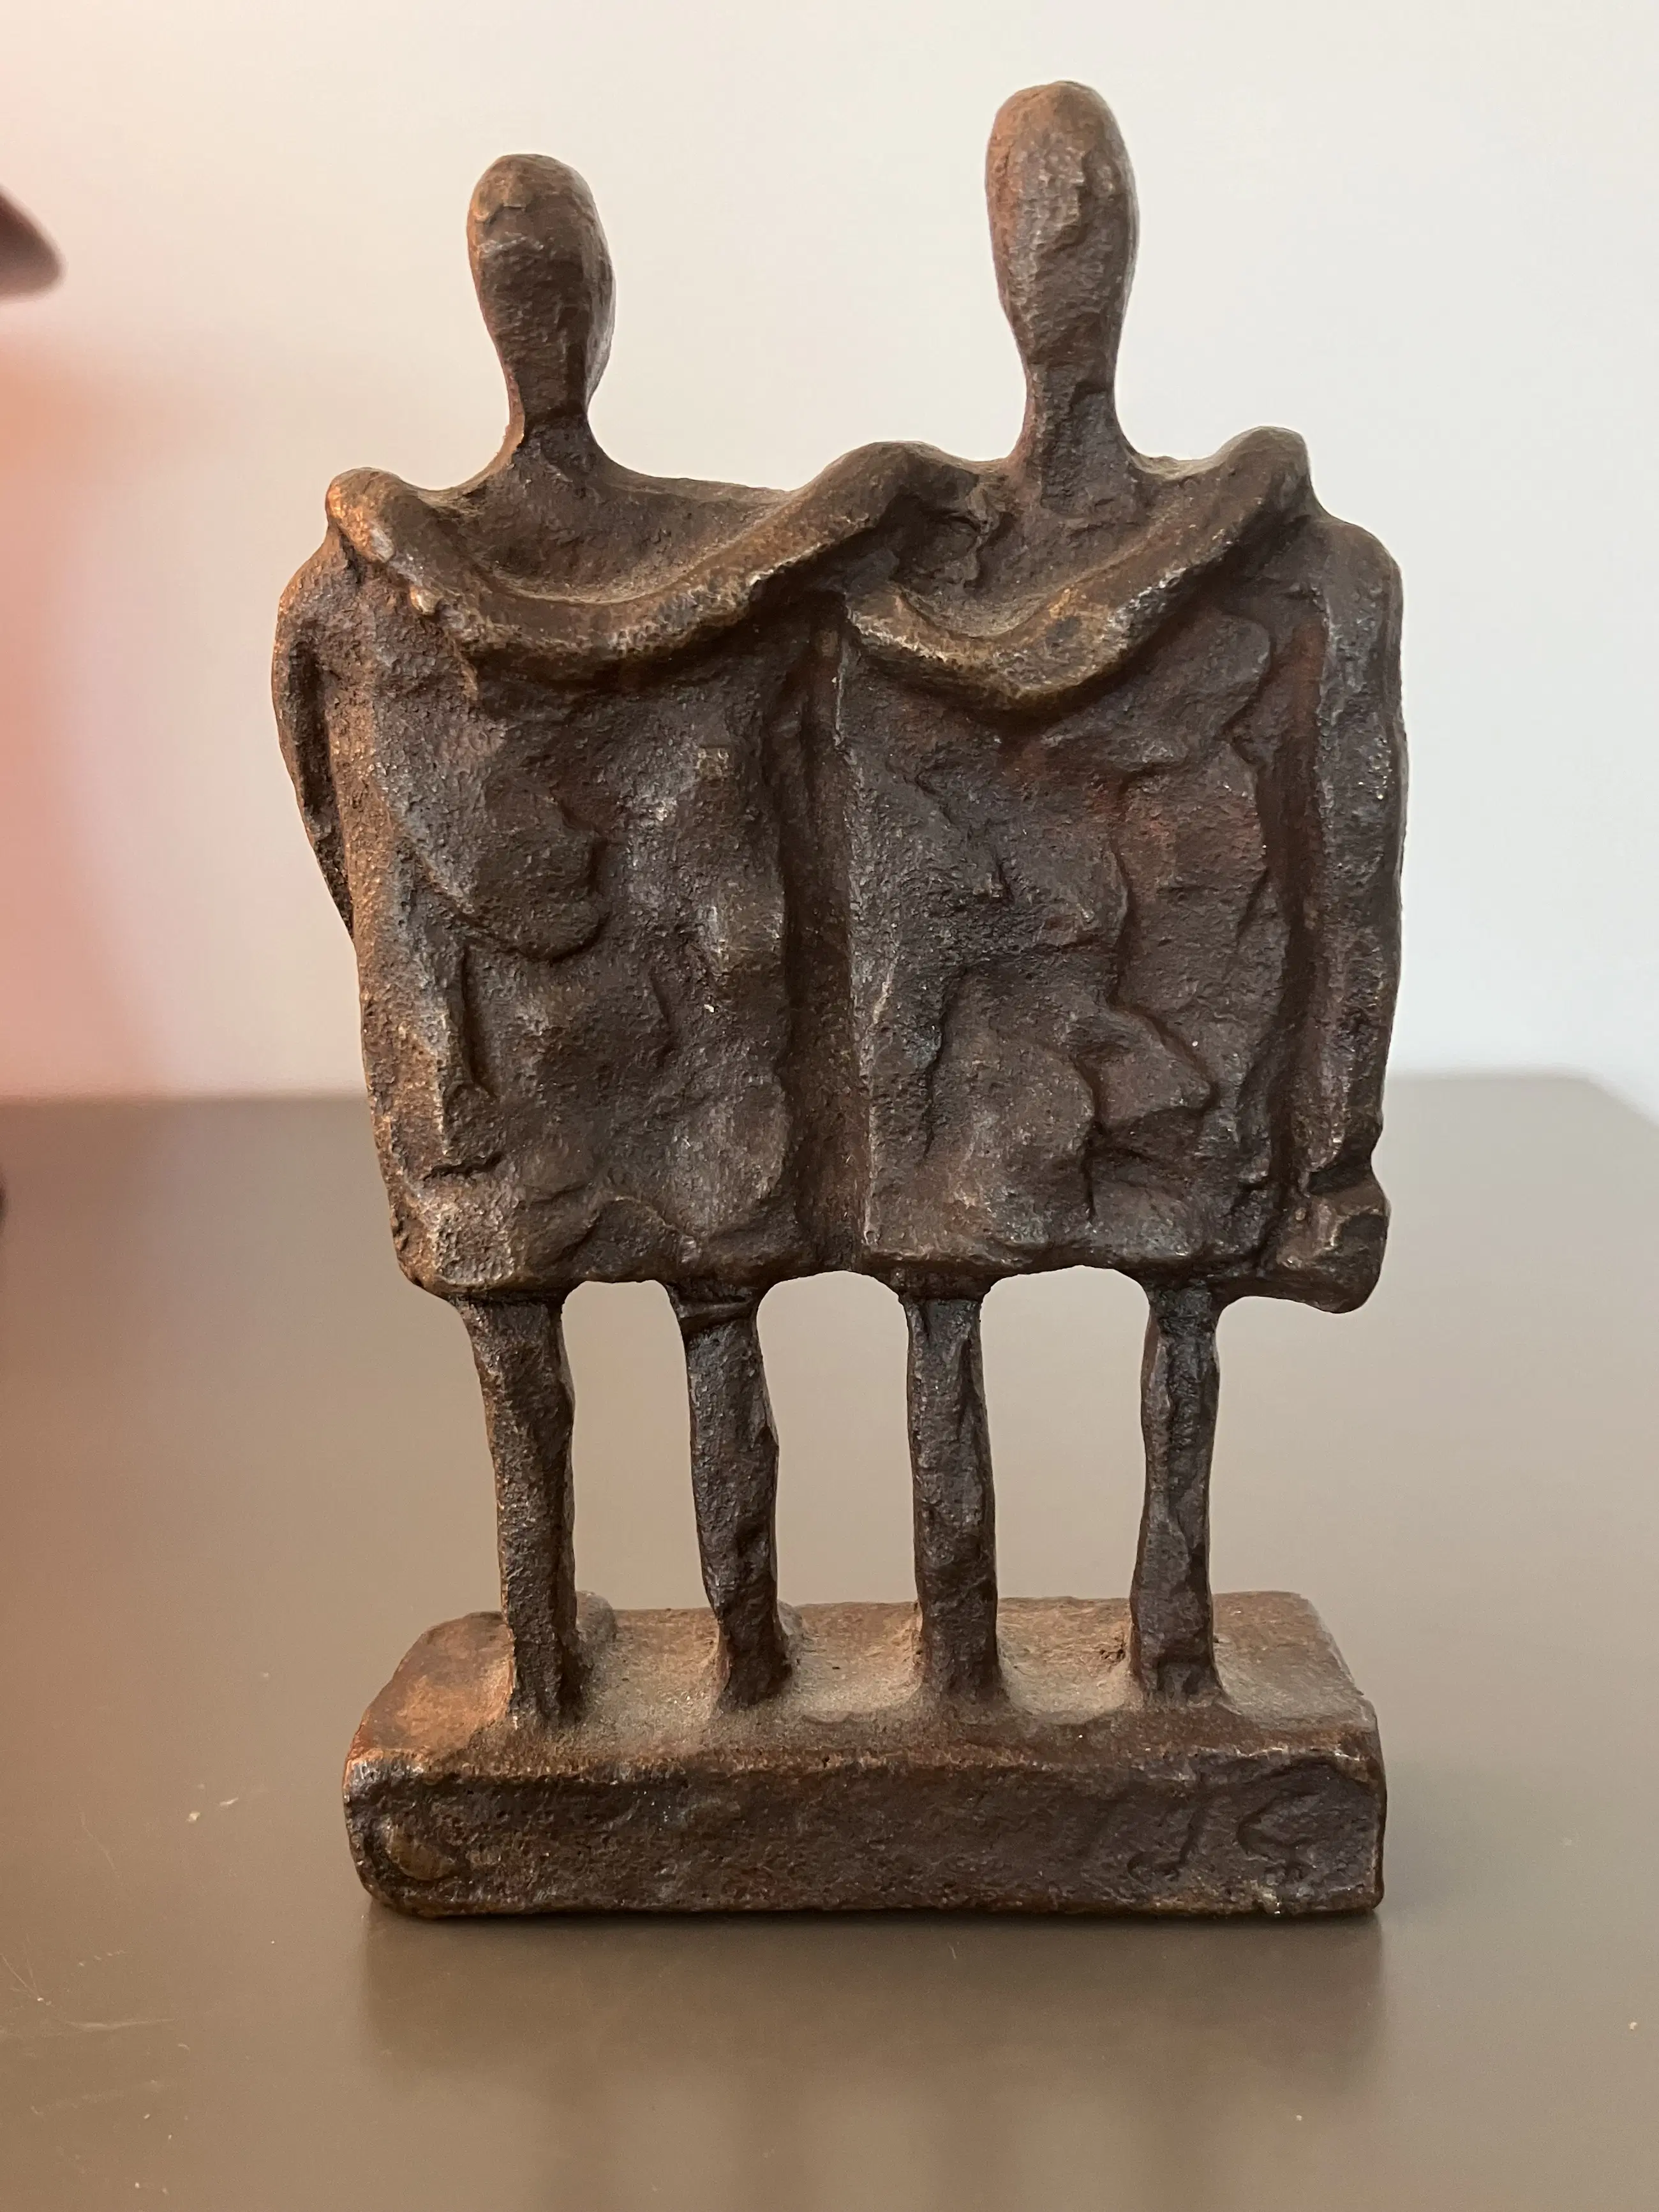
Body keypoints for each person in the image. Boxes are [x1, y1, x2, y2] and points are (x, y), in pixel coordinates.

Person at [275, 154, 979, 1719]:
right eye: (522, 290)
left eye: (557, 290)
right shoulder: (364, 592)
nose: (541, 325)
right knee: (551, 1360)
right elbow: (349, 838)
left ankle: (722, 1665)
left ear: (600, 310)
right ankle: (563, 1674)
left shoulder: (722, 546)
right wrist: (435, 1052)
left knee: (697, 1337)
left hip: (688, 1061)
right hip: (544, 1069)